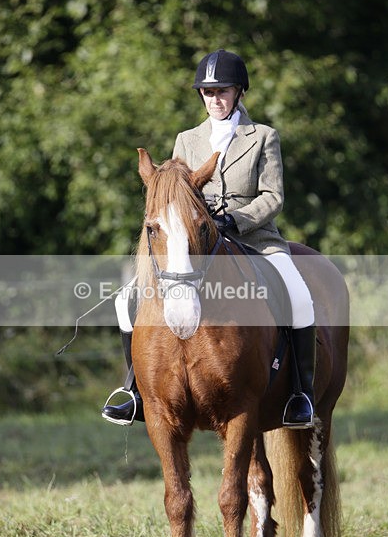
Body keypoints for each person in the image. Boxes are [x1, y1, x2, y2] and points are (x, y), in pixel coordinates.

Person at [102, 48, 316, 429]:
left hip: (254, 238)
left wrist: (236, 219)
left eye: (223, 92)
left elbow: (273, 197)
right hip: (197, 243)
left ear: (239, 93)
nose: (215, 100)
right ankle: (133, 390)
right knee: (125, 299)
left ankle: (300, 394)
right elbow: (173, 194)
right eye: (207, 92)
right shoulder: (187, 139)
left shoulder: (263, 136)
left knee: (299, 295)